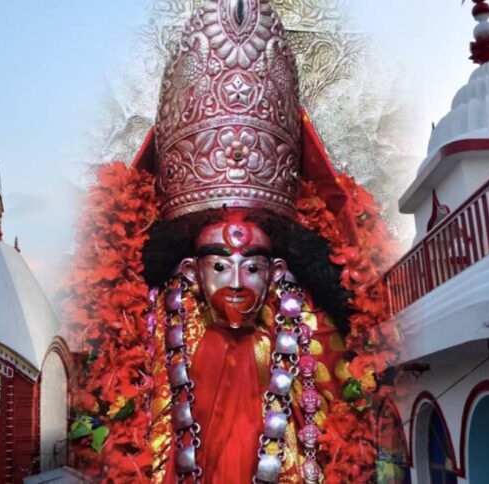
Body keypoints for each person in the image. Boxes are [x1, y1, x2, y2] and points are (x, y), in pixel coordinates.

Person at [66, 0, 399, 481]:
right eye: (220, 264)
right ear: (190, 268)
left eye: (254, 264)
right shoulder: (151, 325)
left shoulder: (311, 330)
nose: (239, 280)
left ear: (278, 268)